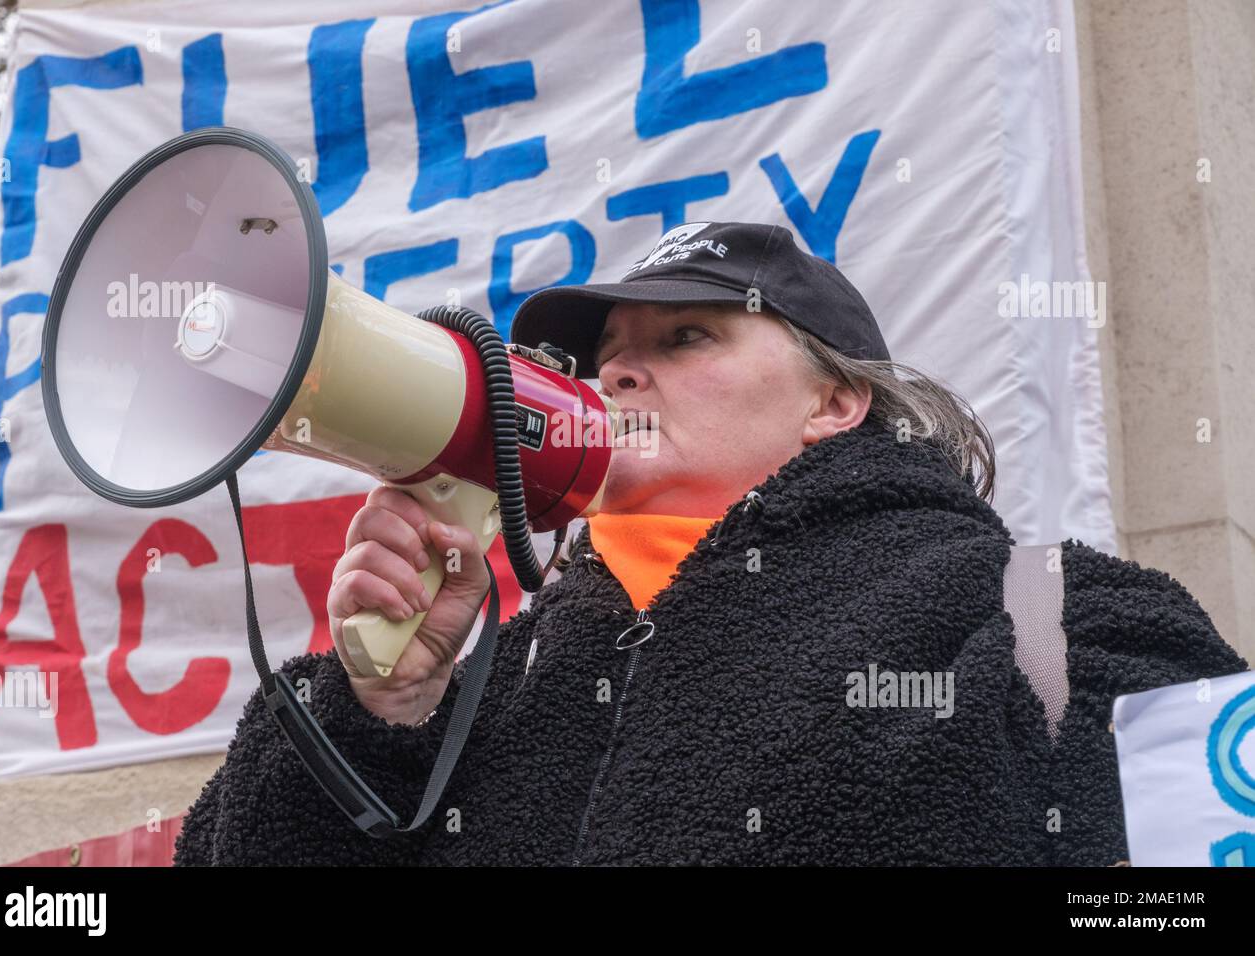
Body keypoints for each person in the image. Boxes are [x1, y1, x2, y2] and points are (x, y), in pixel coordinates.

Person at [174, 221, 1248, 866]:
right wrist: (372, 717)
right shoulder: (478, 693)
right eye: (605, 357)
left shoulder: (1045, 618)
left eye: (686, 336)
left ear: (833, 399)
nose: (617, 373)